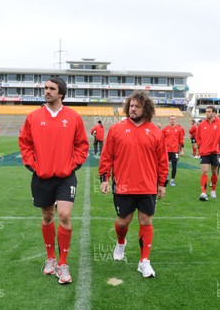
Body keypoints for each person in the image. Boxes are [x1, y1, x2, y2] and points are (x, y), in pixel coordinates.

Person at [18, 77, 89, 285]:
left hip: (66, 177)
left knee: (64, 215)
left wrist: (72, 165)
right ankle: (50, 258)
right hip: (42, 176)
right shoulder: (33, 117)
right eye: (45, 88)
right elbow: (25, 144)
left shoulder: (74, 117)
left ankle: (63, 263)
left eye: (52, 89)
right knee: (48, 216)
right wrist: (34, 165)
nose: (47, 91)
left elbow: (82, 146)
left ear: (61, 94)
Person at [99, 90, 168, 278]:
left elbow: (162, 160)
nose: (133, 109)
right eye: (131, 105)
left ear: (146, 108)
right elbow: (107, 156)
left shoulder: (155, 132)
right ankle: (121, 242)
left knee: (146, 221)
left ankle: (144, 261)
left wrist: (162, 183)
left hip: (147, 186)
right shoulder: (116, 129)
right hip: (123, 186)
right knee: (123, 222)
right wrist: (104, 178)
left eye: (137, 106)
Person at [196, 106, 220, 201]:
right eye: (206, 112)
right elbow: (198, 137)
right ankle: (203, 192)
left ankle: (213, 190)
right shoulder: (201, 124)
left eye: (209, 112)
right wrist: (200, 145)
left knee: (214, 172)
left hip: (215, 152)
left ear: (214, 113)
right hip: (204, 152)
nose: (207, 113)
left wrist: (218, 145)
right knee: (204, 171)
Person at [162, 115, 185, 187]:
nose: (173, 120)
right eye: (171, 119)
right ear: (169, 120)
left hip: (175, 150)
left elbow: (181, 140)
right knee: (165, 165)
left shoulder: (179, 129)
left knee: (174, 165)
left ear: (176, 120)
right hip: (166, 150)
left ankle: (172, 180)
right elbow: (161, 140)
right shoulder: (165, 129)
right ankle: (166, 177)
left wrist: (182, 150)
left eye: (174, 119)